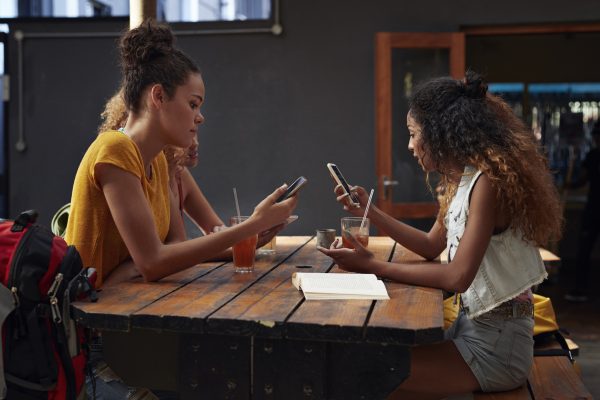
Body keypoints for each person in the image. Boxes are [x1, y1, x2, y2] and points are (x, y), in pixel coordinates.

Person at [65, 19, 296, 398]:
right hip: (90, 343)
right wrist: (248, 227)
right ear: (158, 96)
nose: (200, 117)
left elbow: (171, 252)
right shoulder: (115, 150)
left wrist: (253, 234)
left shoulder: (158, 160)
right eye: (193, 104)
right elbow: (156, 262)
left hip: (132, 322)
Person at [319, 71, 562, 398]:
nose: (409, 144)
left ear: (439, 134)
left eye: (413, 133)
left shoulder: (487, 183)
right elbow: (432, 245)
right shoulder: (462, 181)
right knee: (369, 369)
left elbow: (458, 276)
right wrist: (369, 212)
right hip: (470, 330)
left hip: (496, 349)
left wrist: (373, 266)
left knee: (366, 375)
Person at [565, 122, 600, 302]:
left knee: (584, 250)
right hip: (593, 209)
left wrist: (567, 185)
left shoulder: (593, 156)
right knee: (584, 250)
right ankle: (580, 288)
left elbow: (582, 181)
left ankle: (580, 288)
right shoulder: (592, 155)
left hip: (594, 210)